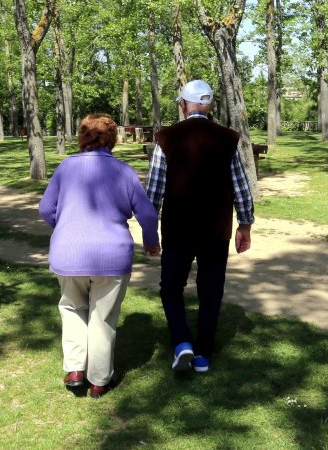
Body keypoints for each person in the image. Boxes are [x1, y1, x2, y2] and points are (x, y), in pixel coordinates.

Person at [39, 114, 160, 397]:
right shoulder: (123, 171)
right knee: (102, 317)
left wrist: (66, 227)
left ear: (82, 137)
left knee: (72, 309)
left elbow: (46, 208)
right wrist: (151, 243)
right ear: (112, 139)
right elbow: (147, 213)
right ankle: (99, 380)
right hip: (112, 257)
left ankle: (75, 369)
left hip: (68, 254)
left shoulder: (66, 167)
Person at [146, 79, 254, 374]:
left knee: (171, 287)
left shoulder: (166, 138)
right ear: (211, 107)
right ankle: (204, 354)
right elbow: (241, 187)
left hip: (177, 228)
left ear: (183, 106)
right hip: (215, 229)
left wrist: (149, 228)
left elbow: (154, 190)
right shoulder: (228, 138)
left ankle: (182, 342)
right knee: (211, 289)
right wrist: (245, 224)